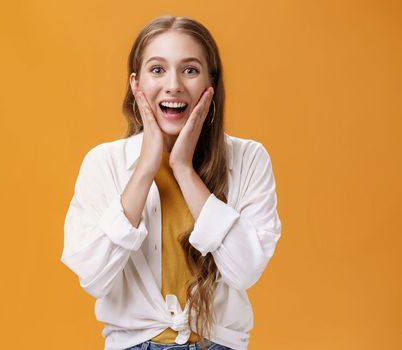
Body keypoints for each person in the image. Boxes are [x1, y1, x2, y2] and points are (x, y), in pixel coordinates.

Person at [60, 15, 282, 350]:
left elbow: (245, 271)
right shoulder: (104, 162)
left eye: (190, 70)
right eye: (157, 69)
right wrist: (145, 169)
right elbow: (93, 276)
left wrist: (183, 169)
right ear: (136, 84)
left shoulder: (249, 158)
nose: (173, 84)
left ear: (212, 83)